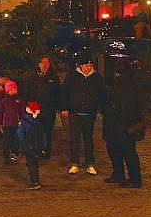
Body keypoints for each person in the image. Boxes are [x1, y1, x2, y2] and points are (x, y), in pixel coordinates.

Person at [61, 50, 106, 176]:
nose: (88, 68)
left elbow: (102, 95)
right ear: (80, 66)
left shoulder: (97, 78)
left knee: (88, 139)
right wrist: (64, 107)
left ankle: (90, 163)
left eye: (90, 66)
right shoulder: (72, 76)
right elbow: (64, 92)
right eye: (86, 65)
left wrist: (101, 109)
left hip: (90, 113)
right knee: (74, 139)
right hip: (75, 113)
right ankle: (75, 162)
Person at [103, 57, 145, 189]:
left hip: (123, 125)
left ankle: (134, 179)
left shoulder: (128, 84)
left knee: (128, 152)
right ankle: (119, 174)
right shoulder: (123, 83)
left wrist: (122, 123)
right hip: (116, 124)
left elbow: (128, 107)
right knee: (114, 149)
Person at [24, 54, 60, 159]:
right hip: (34, 110)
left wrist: (57, 106)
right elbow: (26, 91)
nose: (45, 64)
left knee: (47, 132)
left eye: (47, 62)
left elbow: (58, 94)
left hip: (48, 110)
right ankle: (35, 150)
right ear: (38, 63)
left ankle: (46, 151)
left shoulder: (54, 78)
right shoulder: (31, 77)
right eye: (43, 62)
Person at [17, 101, 46, 189]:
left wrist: (22, 145)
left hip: (28, 147)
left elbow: (20, 134)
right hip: (37, 147)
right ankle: (36, 180)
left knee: (30, 164)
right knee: (35, 164)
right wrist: (43, 146)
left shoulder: (24, 121)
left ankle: (35, 182)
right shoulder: (39, 122)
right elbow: (43, 135)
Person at [0, 79, 23, 165]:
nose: (15, 91)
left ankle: (14, 154)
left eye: (15, 89)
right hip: (7, 124)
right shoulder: (4, 101)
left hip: (16, 124)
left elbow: (20, 111)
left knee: (15, 139)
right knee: (7, 140)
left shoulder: (17, 100)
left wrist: (22, 120)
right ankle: (6, 156)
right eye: (13, 89)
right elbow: (0, 112)